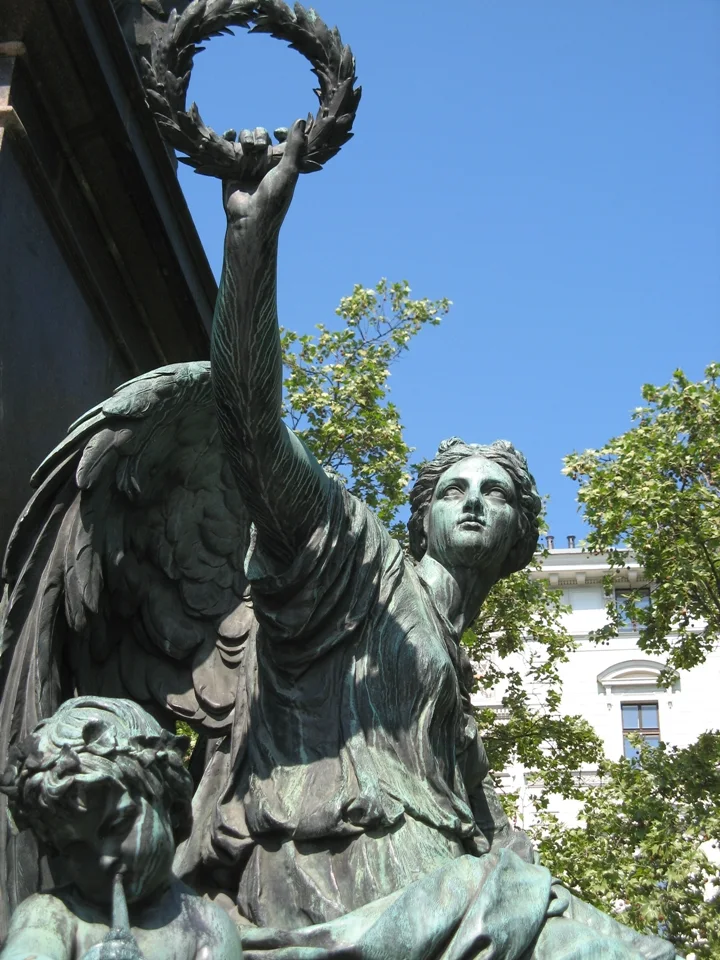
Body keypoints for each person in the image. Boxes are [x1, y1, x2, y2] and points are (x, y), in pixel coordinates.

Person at [172, 121, 680, 958]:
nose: (473, 503)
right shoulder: (354, 562)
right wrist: (250, 246)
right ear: (423, 518)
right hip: (334, 867)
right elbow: (252, 428)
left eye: (495, 494)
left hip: (436, 873)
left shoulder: (454, 666)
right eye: (454, 490)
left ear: (523, 538)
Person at [0, 697, 243, 960]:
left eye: (117, 824)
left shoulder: (205, 926)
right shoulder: (48, 914)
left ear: (171, 807)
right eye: (75, 848)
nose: (103, 858)